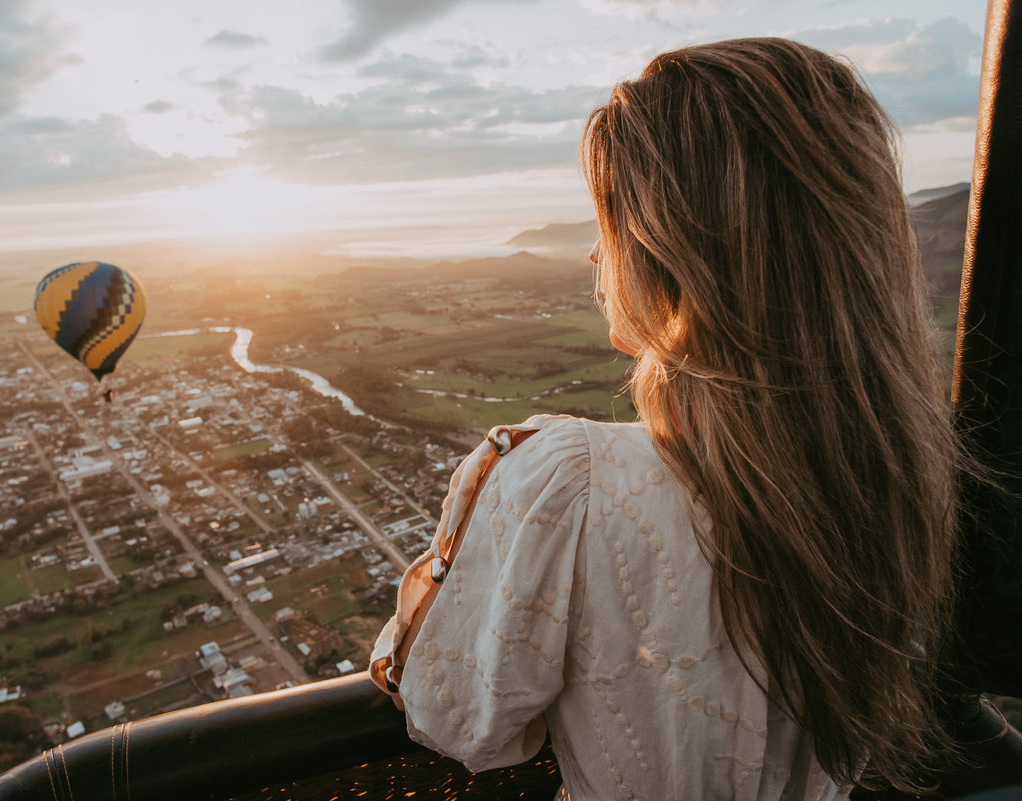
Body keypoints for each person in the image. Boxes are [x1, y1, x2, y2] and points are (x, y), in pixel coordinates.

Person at [371, 38, 965, 799]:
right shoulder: (898, 474)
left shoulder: (570, 484)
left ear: (673, 251)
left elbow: (458, 716)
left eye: (610, 222)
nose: (594, 255)